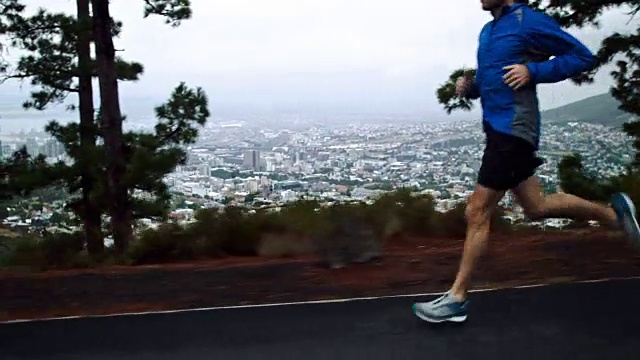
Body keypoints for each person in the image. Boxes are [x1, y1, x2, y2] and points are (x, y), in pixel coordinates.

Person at [412, 0, 640, 324]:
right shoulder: (488, 30)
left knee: (477, 211)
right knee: (537, 206)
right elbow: (494, 80)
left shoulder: (527, 21)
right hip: (497, 128)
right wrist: (470, 88)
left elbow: (582, 57)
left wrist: (533, 71)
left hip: (514, 130)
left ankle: (457, 299)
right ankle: (614, 216)